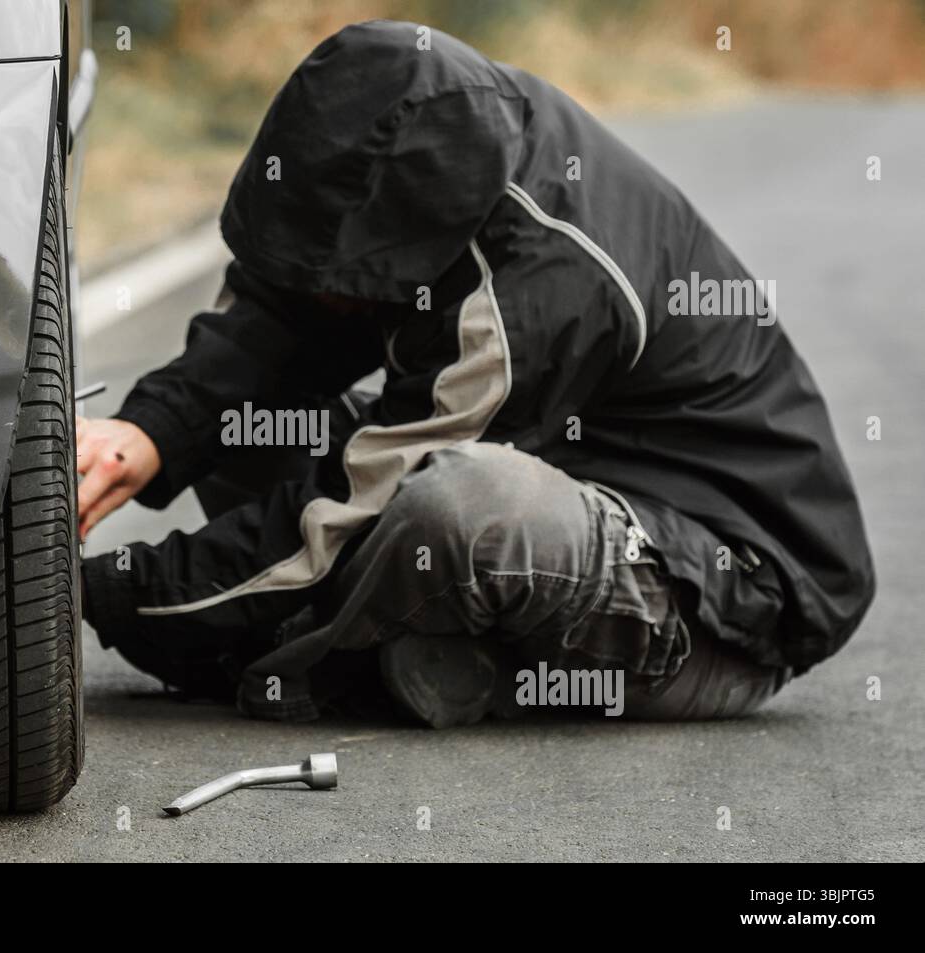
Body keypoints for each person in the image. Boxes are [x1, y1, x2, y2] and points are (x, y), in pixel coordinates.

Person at [75, 20, 875, 728]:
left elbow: (354, 509)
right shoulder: (441, 138)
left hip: (721, 604)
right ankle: (376, 639)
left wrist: (100, 593)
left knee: (461, 500)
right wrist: (149, 431)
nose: (319, 290)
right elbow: (288, 313)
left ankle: (331, 653)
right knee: (265, 416)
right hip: (586, 488)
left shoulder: (537, 287)